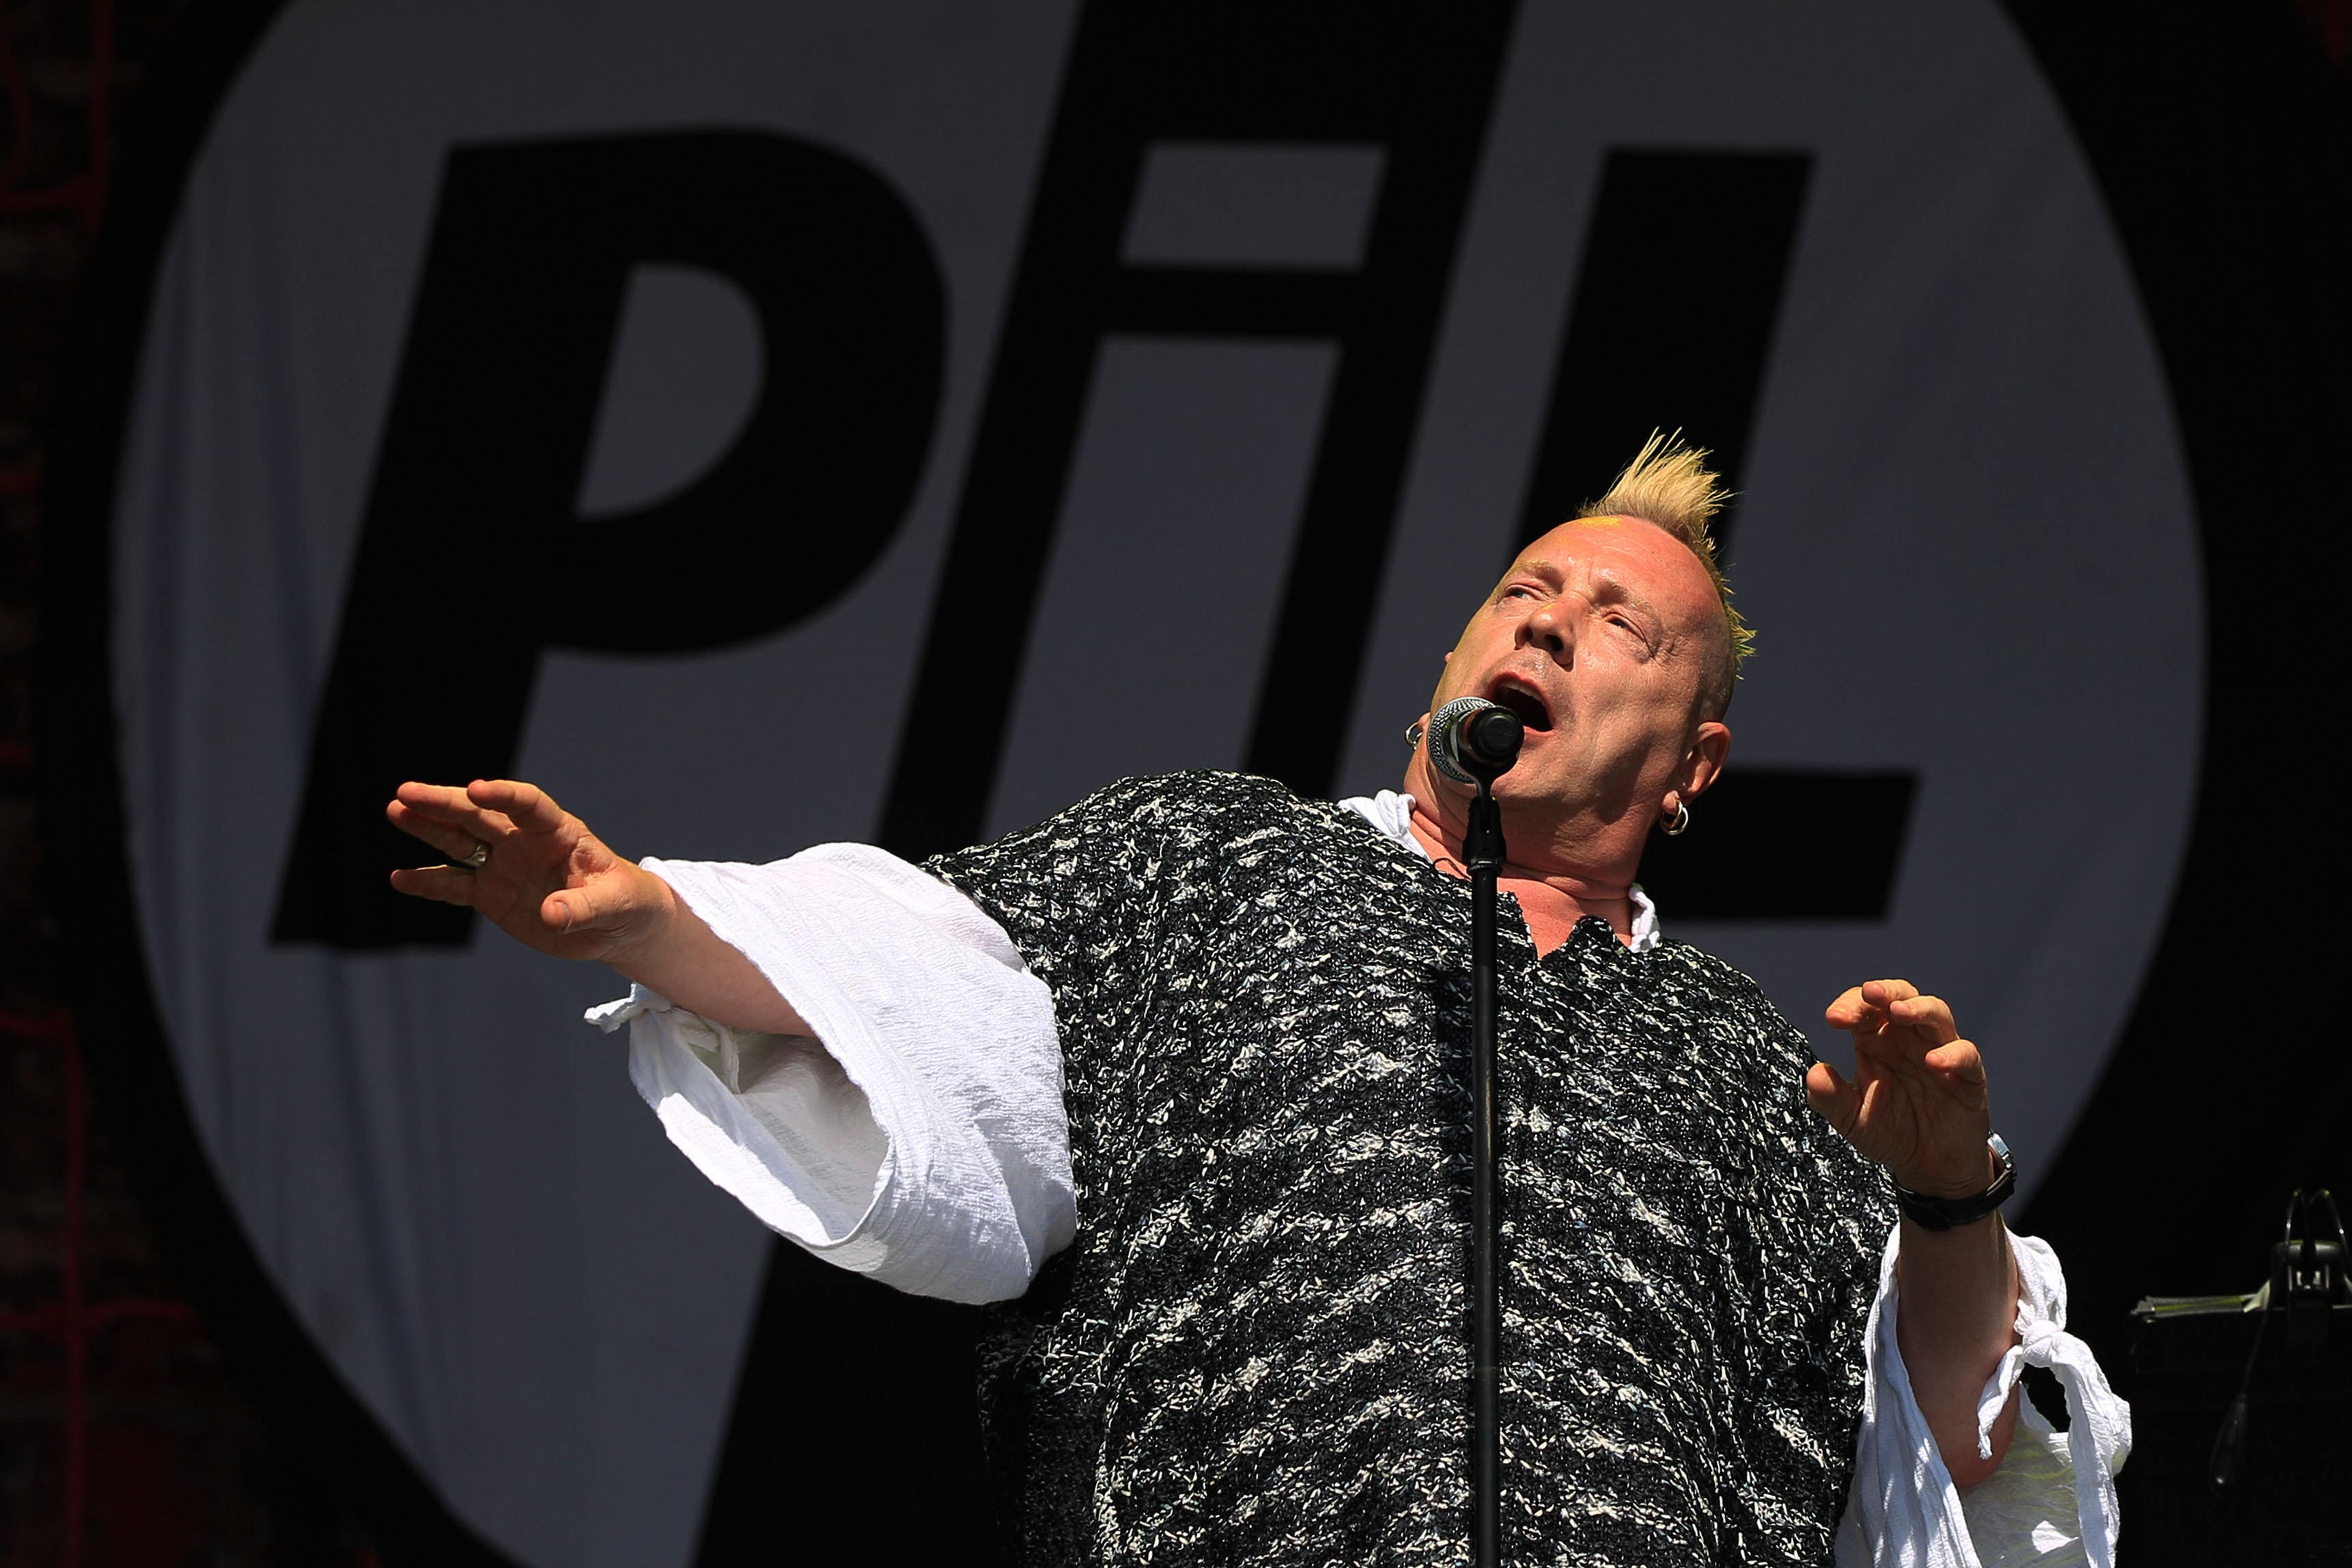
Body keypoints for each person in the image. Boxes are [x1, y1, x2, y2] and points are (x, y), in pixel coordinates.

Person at [386, 437, 2127, 1565]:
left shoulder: (1753, 1067)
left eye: (1621, 625)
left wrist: (1948, 1195)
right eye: (1523, 592)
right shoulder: (1218, 865)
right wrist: (650, 920)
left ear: (1694, 762)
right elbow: (916, 986)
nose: (1551, 623)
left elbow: (1961, 1455)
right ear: (1449, 663)